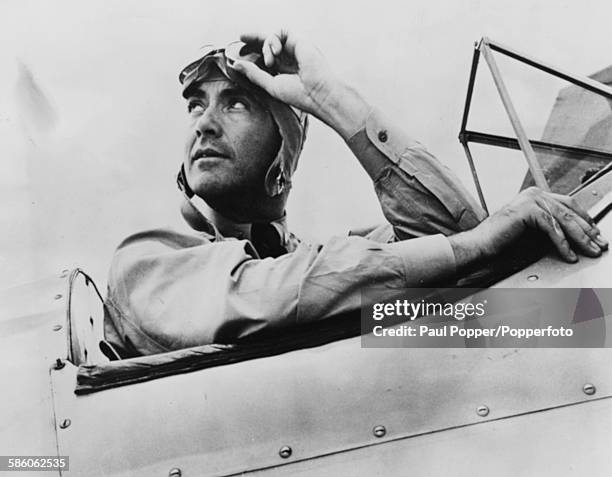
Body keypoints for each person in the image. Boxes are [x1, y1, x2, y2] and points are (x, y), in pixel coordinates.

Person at [103, 30, 608, 357]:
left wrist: (331, 101)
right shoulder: (147, 260)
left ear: (284, 156)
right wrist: (476, 246)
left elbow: (462, 240)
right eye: (196, 106)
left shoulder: (314, 260)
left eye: (235, 104)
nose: (205, 125)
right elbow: (261, 294)